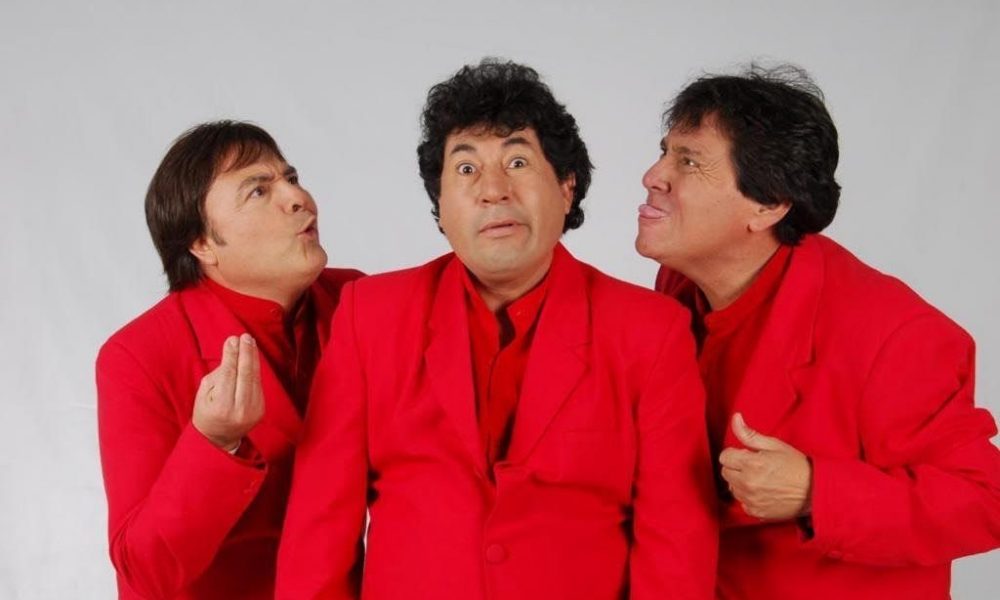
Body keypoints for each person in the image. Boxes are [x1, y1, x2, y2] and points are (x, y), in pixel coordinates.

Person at [276, 59, 718, 600]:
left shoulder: (650, 332)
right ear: (440, 204)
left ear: (566, 187)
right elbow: (319, 532)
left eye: (517, 161)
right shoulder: (371, 315)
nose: (492, 190)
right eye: (465, 168)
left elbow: (676, 546)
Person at [635, 64, 1000, 599]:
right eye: (665, 151)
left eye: (688, 161)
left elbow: (984, 501)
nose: (653, 174)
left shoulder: (894, 334)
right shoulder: (680, 283)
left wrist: (816, 491)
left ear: (768, 205)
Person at [96, 121, 363, 599]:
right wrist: (213, 442)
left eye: (291, 177)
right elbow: (144, 570)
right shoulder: (137, 356)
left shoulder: (355, 302)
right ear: (202, 244)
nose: (299, 198)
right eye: (258, 190)